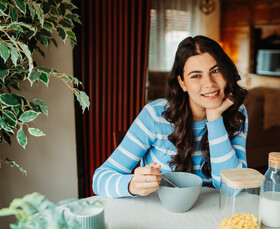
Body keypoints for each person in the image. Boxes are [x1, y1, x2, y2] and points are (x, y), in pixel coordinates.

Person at [92, 35, 248, 198]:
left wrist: (215, 119)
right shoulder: (155, 115)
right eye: (196, 75)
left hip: (210, 216)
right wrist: (132, 185)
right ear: (182, 83)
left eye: (215, 71)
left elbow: (232, 189)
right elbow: (99, 179)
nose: (209, 83)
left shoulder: (237, 112)